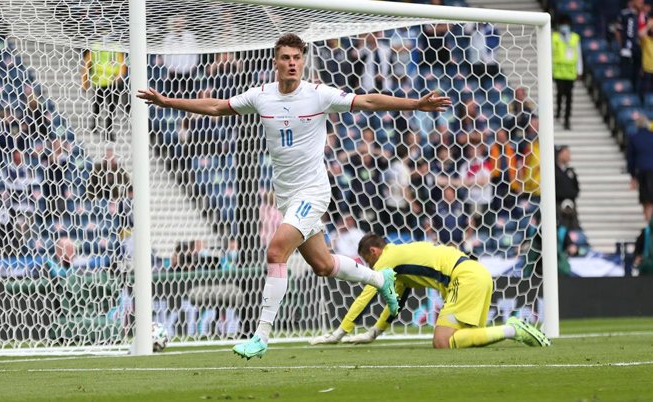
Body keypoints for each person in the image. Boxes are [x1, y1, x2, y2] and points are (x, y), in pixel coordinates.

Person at [137, 32, 452, 359]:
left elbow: (368, 101)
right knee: (323, 265)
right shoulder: (261, 96)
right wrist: (169, 102)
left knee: (275, 251)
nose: (291, 64)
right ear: (276, 61)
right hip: (287, 196)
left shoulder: (318, 94)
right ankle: (381, 278)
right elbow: (217, 106)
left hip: (313, 191)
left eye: (297, 58)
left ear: (303, 61)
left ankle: (260, 337)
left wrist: (415, 104)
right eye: (286, 58)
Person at [310, 233, 551, 348]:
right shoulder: (400, 266)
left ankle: (513, 328)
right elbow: (395, 303)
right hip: (477, 275)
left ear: (374, 252)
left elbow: (366, 295)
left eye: (368, 262)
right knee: (465, 340)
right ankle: (512, 329)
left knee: (442, 342)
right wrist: (374, 332)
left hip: (463, 278)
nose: (371, 268)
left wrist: (339, 333)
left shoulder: (388, 259)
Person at [551, 14, 582, 130]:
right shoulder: (554, 37)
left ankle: (567, 120)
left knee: (569, 97)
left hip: (570, 72)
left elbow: (578, 55)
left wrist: (579, 70)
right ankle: (558, 111)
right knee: (560, 93)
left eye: (566, 24)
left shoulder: (575, 38)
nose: (565, 26)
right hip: (558, 71)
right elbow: (551, 53)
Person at [626, 114, 653, 222]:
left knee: (646, 199)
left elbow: (630, 159)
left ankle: (648, 223)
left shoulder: (634, 137)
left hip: (643, 171)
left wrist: (632, 176)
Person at [554, 145, 580, 226]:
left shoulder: (571, 171)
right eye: (567, 153)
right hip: (558, 204)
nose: (569, 155)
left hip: (571, 203)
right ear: (560, 154)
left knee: (573, 226)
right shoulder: (553, 171)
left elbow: (576, 187)